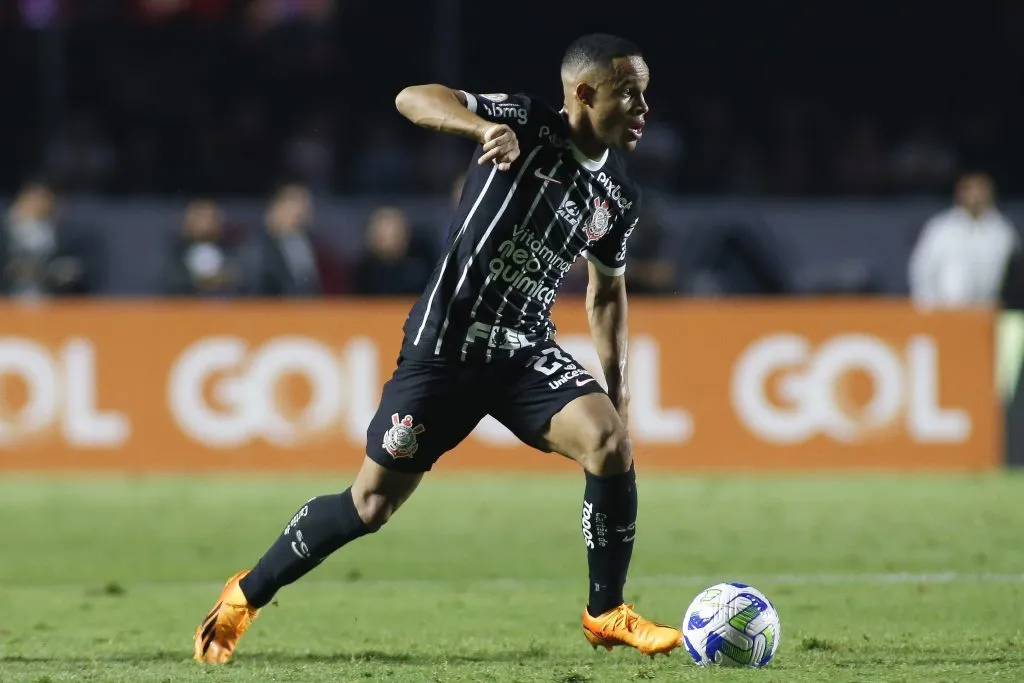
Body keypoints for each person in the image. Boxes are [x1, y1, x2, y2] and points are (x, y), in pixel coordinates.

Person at [193, 33, 683, 664]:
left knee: (610, 443)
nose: (643, 109)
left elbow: (606, 293)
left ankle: (606, 610)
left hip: (522, 351)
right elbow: (413, 97)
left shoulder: (618, 194)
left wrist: (619, 392)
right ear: (585, 93)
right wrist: (479, 128)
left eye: (645, 95)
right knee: (369, 504)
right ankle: (246, 594)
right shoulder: (526, 123)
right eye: (630, 94)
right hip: (445, 350)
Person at [908, 171, 1019, 308]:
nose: (976, 196)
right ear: (960, 193)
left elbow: (1014, 277)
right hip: (946, 309)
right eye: (971, 189)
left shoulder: (1003, 231)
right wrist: (928, 306)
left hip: (988, 309)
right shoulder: (941, 228)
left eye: (981, 189)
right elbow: (922, 269)